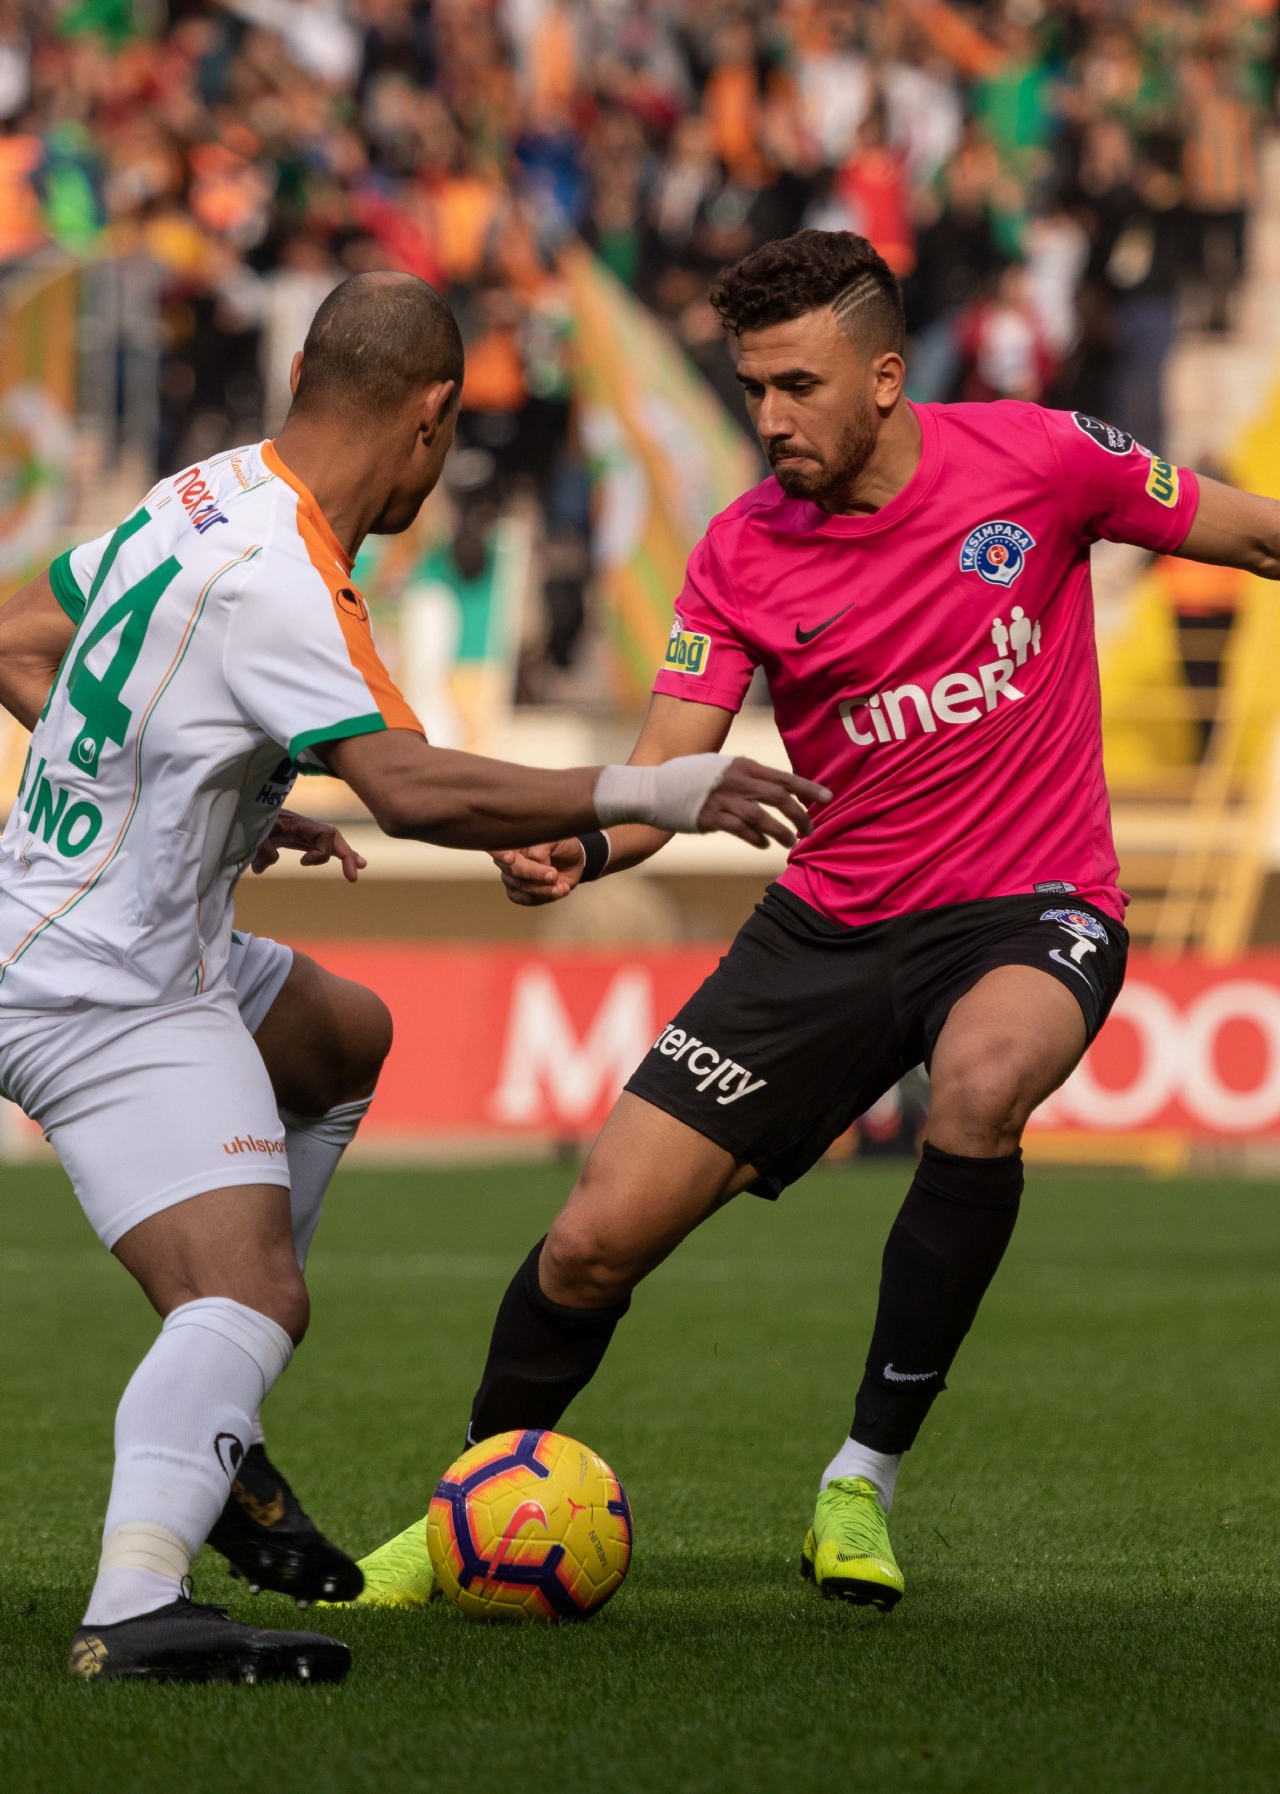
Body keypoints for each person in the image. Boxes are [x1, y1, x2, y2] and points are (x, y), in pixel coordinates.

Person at [344, 231, 1280, 1614]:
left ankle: (861, 1478)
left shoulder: (1041, 458)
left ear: (885, 378)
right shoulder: (739, 552)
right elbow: (666, 777)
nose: (771, 418)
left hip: (1031, 906)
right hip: (826, 929)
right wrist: (583, 847)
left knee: (981, 1084)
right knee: (592, 1240)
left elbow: (1251, 530)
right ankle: (466, 1509)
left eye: (798, 386)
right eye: (752, 389)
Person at [0, 269, 823, 1684]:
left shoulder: (201, 493)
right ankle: (136, 1604)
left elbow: (23, 641)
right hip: (105, 984)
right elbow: (415, 789)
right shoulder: (289, 574)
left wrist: (221, 795)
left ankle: (220, 1427)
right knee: (252, 1299)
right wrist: (663, 790)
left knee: (342, 1038)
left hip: (93, 925)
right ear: (434, 416)